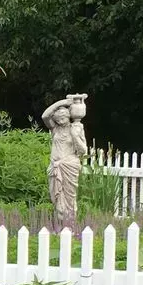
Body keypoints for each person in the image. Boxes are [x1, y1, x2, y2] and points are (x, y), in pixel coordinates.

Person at [42, 96, 87, 225]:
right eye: (58, 119)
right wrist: (62, 103)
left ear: (68, 116)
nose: (61, 121)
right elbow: (45, 116)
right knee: (56, 199)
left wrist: (74, 136)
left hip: (70, 166)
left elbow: (83, 151)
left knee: (69, 198)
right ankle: (60, 226)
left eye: (63, 118)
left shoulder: (77, 128)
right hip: (55, 167)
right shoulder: (54, 129)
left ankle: (70, 226)